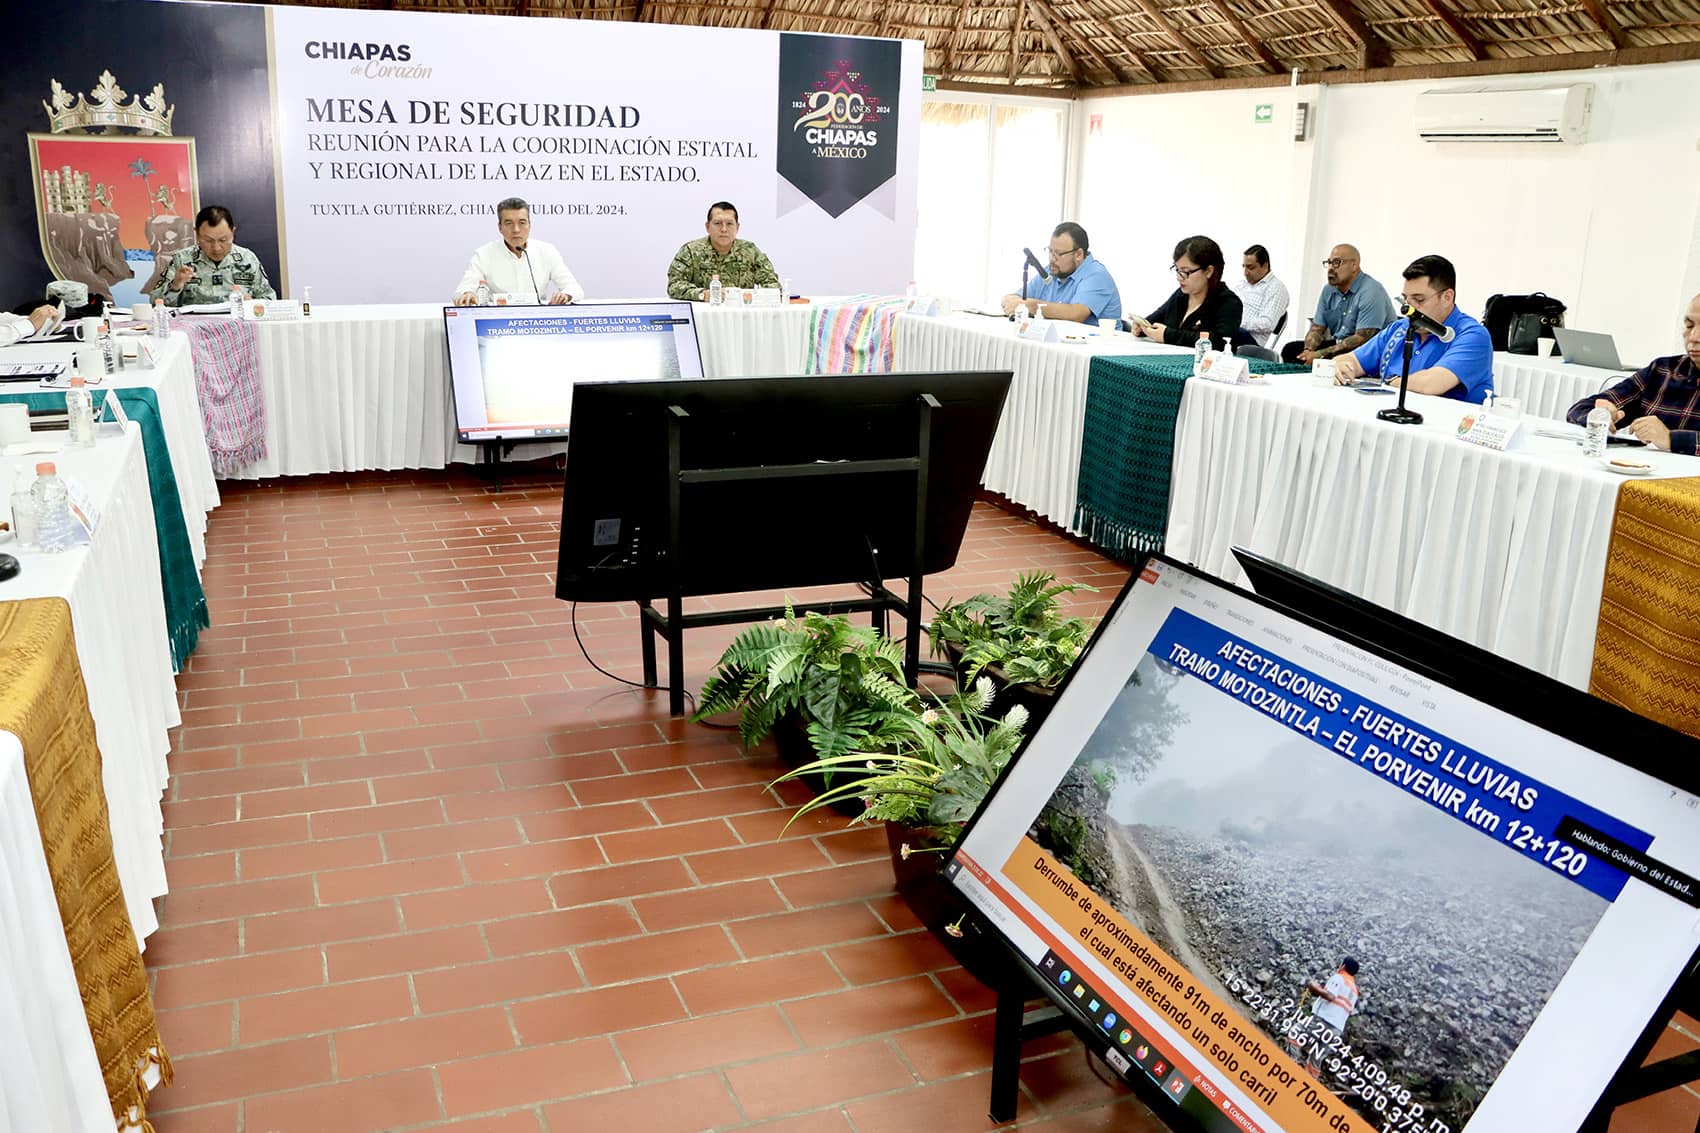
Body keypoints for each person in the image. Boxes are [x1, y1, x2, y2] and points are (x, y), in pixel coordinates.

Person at [1333, 255, 1493, 403]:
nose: (1408, 309)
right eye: (1406, 299)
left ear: (1447, 297)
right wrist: (1341, 366)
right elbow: (1351, 360)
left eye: (1418, 299)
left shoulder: (1473, 336)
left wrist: (1389, 382)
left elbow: (1432, 384)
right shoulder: (1399, 328)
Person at [1565, 292, 1700, 454]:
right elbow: (1580, 409)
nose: (1694, 337)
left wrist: (1672, 439)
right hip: (1645, 474)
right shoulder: (1662, 370)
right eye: (1689, 326)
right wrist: (1600, 416)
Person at [454, 197, 581, 305]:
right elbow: (463, 289)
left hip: (537, 321)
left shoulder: (547, 251)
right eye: (509, 223)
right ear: (500, 227)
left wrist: (566, 295)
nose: (516, 229)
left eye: (522, 222)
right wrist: (467, 294)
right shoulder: (483, 254)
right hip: (498, 323)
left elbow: (575, 288)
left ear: (529, 225)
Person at [1282, 244, 1394, 365]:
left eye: (1337, 262)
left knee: (1335, 360)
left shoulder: (1371, 291)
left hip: (1369, 349)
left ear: (1354, 266)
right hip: (1339, 345)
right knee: (1291, 350)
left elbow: (1362, 339)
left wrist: (1319, 354)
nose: (1330, 268)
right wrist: (1308, 351)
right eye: (1329, 263)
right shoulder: (1328, 290)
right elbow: (1317, 328)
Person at [150, 205, 277, 308]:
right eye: (208, 240)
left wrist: (253, 304)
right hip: (195, 330)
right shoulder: (182, 259)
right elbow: (155, 303)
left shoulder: (247, 258)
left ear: (233, 232)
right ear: (197, 234)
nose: (216, 248)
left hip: (237, 329)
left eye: (223, 240)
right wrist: (175, 285)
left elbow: (269, 298)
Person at [1133, 235, 1242, 351]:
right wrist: (1142, 326)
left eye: (1185, 272)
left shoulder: (1228, 303)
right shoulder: (1181, 295)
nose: (1179, 277)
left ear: (1209, 271)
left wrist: (1168, 335)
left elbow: (1219, 342)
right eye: (1177, 270)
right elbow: (1156, 318)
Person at [1001, 222, 1121, 325]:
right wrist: (1010, 301)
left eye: (1058, 254)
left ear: (1078, 254)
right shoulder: (1051, 271)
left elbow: (1077, 313)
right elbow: (1016, 297)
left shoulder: (1096, 275)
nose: (1052, 259)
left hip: (1098, 347)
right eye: (1050, 251)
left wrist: (1033, 306)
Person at [666, 202, 781, 301]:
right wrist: (702, 294)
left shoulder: (750, 251)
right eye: (717, 223)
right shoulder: (691, 251)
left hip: (741, 317)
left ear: (737, 227)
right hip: (703, 317)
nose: (724, 229)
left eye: (729, 224)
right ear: (707, 226)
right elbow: (674, 285)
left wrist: (751, 296)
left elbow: (773, 285)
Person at [1300, 957, 1360, 1076]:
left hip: (1323, 1020)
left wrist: (1314, 988)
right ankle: (1309, 1081)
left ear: (1343, 966)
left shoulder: (1339, 977)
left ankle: (1287, 1066)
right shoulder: (1354, 990)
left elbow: (1330, 996)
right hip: (1336, 1030)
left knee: (1295, 1035)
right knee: (1316, 1058)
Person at [1234, 244, 1289, 348]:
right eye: (1244, 266)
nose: (1245, 272)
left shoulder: (1276, 288)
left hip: (1251, 341)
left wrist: (1236, 322)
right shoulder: (1242, 285)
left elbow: (1267, 323)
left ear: (1265, 266)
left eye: (1250, 267)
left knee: (1228, 331)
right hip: (1236, 331)